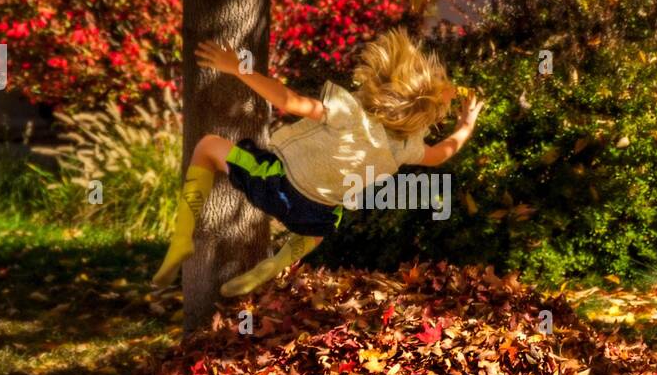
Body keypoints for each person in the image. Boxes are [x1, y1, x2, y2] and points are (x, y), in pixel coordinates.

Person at [152, 29, 483, 297]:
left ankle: (182, 238)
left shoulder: (348, 113)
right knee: (324, 226)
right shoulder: (405, 148)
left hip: (276, 182)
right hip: (316, 213)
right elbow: (442, 153)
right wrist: (465, 125)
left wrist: (236, 67)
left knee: (208, 146)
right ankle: (276, 263)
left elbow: (287, 100)